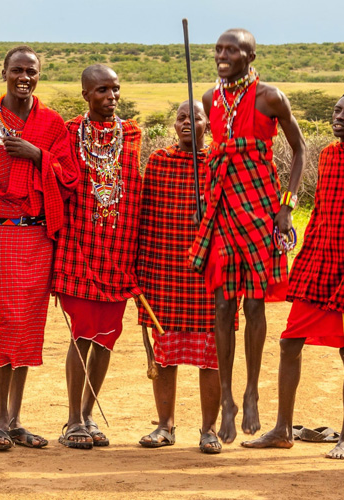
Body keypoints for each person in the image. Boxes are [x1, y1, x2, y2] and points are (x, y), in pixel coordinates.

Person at [189, 28, 306, 443]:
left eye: (232, 49)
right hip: (222, 207)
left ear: (250, 56)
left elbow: (299, 150)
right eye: (219, 49)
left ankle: (252, 391)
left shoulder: (270, 97)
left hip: (259, 208)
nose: (223, 55)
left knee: (255, 305)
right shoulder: (209, 99)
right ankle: (226, 398)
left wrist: (287, 207)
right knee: (223, 305)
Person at [0, 45, 79, 450]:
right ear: (3, 72)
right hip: (2, 230)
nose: (24, 77)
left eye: (31, 71)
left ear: (38, 75)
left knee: (31, 326)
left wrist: (37, 156)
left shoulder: (51, 123)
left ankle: (15, 420)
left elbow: (70, 176)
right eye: (17, 70)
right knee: (11, 320)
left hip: (40, 233)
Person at [242, 95, 344, 459]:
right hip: (322, 259)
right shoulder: (329, 155)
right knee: (290, 342)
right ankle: (283, 429)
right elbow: (322, 212)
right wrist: (303, 256)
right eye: (337, 111)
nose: (339, 118)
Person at [52, 64, 142, 449]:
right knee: (82, 334)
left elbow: (138, 188)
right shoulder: (69, 133)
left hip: (120, 251)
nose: (111, 97)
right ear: (86, 94)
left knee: (106, 338)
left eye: (115, 89)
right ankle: (73, 419)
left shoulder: (133, 134)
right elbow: (56, 177)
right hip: (78, 248)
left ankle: (89, 414)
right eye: (102, 90)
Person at [137, 100, 222, 453]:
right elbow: (144, 214)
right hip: (164, 268)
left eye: (195, 118)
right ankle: (165, 426)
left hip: (208, 273)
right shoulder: (159, 162)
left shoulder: (219, 163)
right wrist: (138, 268)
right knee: (165, 352)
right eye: (181, 118)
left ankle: (208, 430)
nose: (187, 123)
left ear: (209, 124)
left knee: (211, 355)